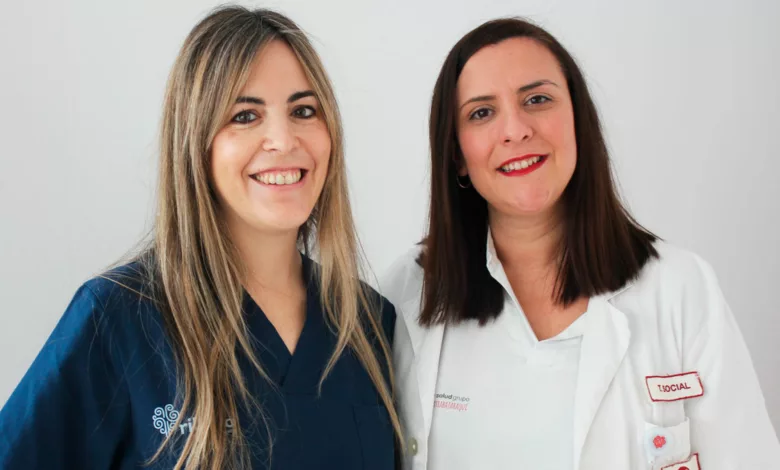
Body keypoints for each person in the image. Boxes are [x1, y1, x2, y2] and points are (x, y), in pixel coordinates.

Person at [0, 6, 399, 470]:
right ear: (195, 144)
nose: (283, 139)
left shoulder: (370, 323)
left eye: (303, 111)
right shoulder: (121, 317)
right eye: (245, 116)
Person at [383, 17, 780, 470]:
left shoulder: (681, 289)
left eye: (537, 99)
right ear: (456, 153)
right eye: (482, 113)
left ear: (578, 120)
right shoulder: (406, 294)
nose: (515, 129)